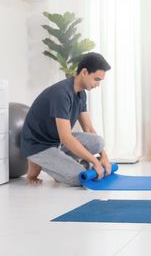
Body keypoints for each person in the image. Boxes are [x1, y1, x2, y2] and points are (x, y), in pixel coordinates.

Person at [21, 52, 112, 186]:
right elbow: (66, 138)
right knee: (79, 177)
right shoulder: (61, 93)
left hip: (56, 140)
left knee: (98, 142)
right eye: (96, 79)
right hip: (38, 146)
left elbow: (88, 128)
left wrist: (104, 156)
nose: (98, 84)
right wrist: (95, 161)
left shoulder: (81, 94)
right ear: (85, 72)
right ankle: (39, 161)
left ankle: (62, 164)